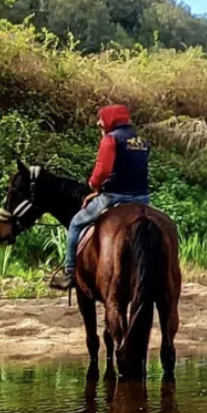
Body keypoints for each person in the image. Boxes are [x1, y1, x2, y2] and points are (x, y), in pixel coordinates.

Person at [51, 103, 151, 291]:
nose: (99, 124)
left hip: (114, 197)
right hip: (143, 199)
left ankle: (70, 272)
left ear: (111, 120)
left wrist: (93, 185)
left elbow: (103, 169)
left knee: (75, 224)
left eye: (101, 120)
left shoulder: (110, 139)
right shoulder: (142, 141)